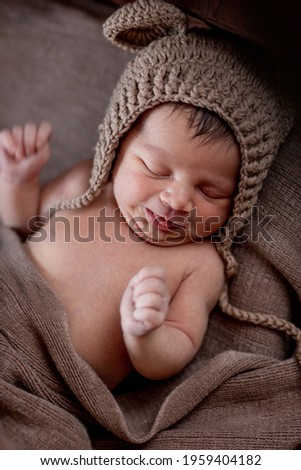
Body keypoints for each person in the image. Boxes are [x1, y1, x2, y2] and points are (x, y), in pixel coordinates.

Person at [0, 0, 296, 390]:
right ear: (117, 147)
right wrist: (18, 183)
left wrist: (146, 334)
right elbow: (21, 223)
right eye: (156, 170)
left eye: (211, 190)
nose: (176, 199)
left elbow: (176, 351)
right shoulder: (84, 189)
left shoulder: (199, 263)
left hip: (47, 385)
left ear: (240, 199)